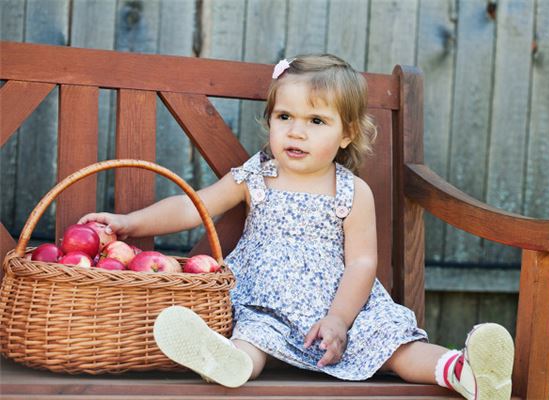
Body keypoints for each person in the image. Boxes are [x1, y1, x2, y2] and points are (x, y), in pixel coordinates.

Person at [78, 54, 514, 399]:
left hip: (337, 308)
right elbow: (195, 207)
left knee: (391, 342)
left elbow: (362, 263)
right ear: (270, 121)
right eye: (284, 117)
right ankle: (226, 362)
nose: (296, 132)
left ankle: (462, 372)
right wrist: (130, 222)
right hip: (263, 301)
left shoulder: (352, 191)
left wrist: (339, 320)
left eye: (316, 121)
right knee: (252, 335)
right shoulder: (257, 175)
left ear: (346, 135)